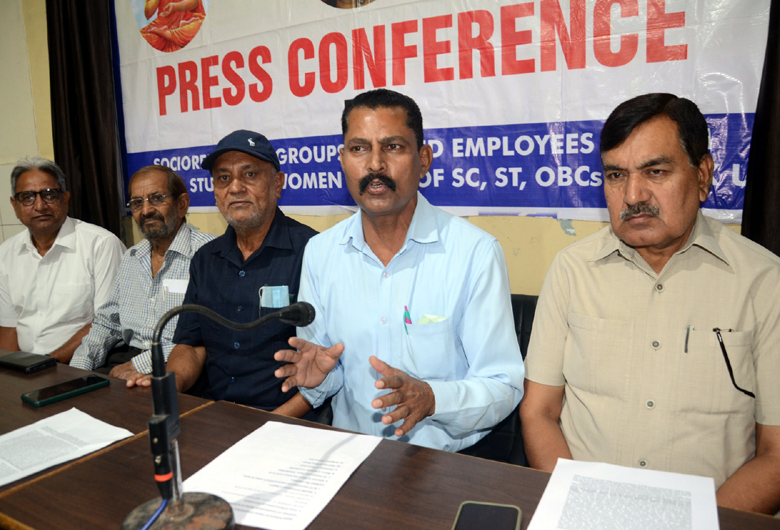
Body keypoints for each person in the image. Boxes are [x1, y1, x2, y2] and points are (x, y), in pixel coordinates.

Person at [520, 93, 780, 514]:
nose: (633, 195)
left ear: (703, 175)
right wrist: (578, 510)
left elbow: (776, 454)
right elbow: (539, 412)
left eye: (655, 172)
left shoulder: (765, 282)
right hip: (587, 511)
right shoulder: (572, 270)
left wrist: (700, 523)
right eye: (616, 175)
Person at [274, 88, 524, 451]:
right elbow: (329, 371)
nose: (375, 165)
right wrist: (319, 380)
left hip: (444, 462)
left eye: (392, 147)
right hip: (351, 454)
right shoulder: (321, 252)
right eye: (359, 149)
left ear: (424, 159)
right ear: (343, 160)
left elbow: (504, 384)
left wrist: (433, 399)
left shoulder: (474, 252)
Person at [154, 130, 317, 418]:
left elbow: (327, 362)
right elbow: (191, 346)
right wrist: (169, 389)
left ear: (278, 184)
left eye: (250, 175)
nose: (236, 187)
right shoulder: (205, 259)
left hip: (286, 418)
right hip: (214, 413)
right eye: (223, 178)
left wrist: (271, 423)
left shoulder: (314, 252)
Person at [69, 165, 215, 380]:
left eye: (156, 198)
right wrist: (79, 366)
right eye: (137, 203)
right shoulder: (132, 257)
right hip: (125, 358)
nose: (146, 211)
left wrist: (140, 364)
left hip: (181, 365)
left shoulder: (209, 254)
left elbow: (208, 334)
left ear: (182, 204)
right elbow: (107, 323)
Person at [0, 157, 125, 361]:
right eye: (27, 197)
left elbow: (107, 325)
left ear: (65, 199)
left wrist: (45, 364)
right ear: (15, 205)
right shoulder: (7, 252)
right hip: (27, 367)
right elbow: (8, 330)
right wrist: (6, 373)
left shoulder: (101, 245)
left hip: (81, 365)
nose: (40, 206)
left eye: (49, 195)